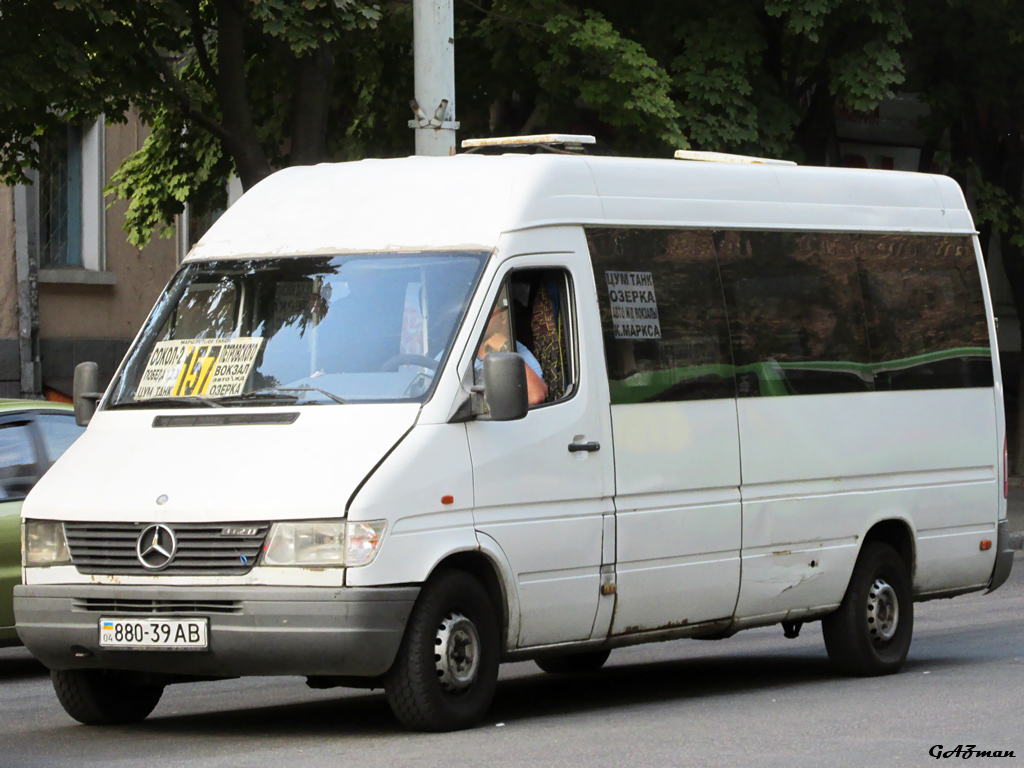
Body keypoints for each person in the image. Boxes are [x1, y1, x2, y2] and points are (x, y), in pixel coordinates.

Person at [477, 297, 548, 405]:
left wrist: (506, 349)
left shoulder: (519, 351)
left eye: (486, 313)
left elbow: (536, 396)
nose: (479, 319)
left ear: (503, 317)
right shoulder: (456, 354)